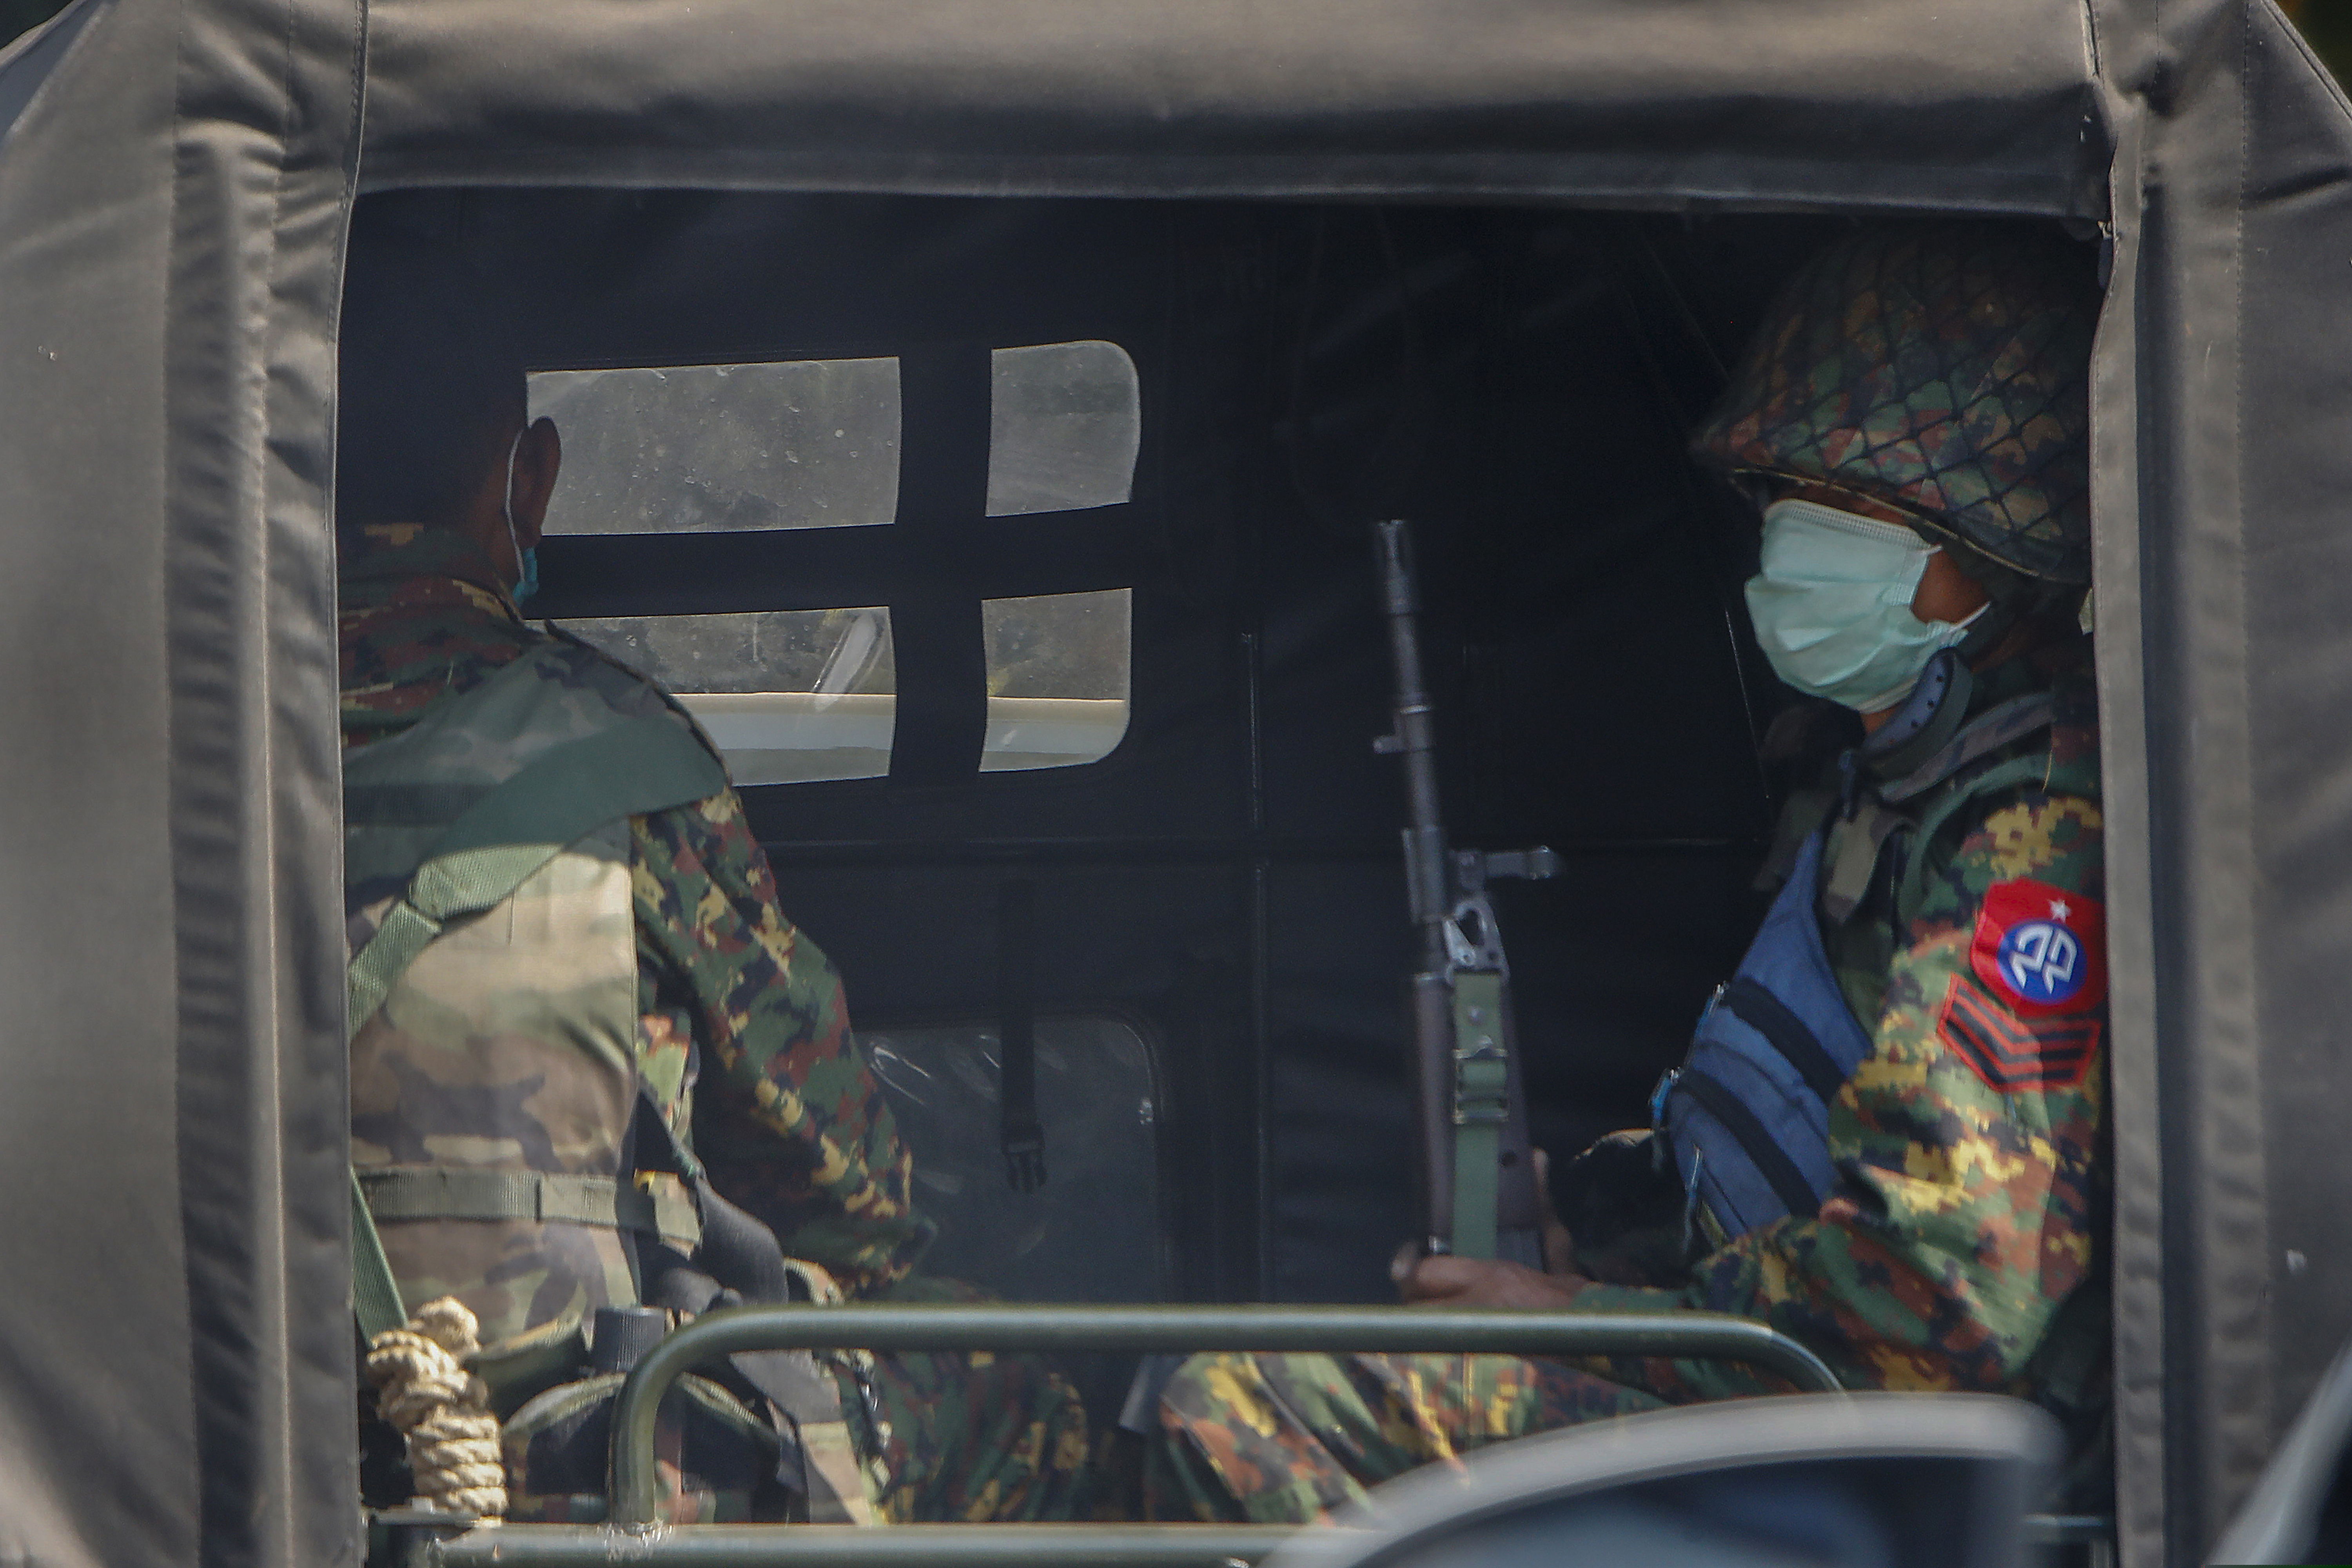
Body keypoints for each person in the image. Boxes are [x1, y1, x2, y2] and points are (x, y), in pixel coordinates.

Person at [1142, 221, 2112, 1522]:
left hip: (1897, 1455)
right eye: (1784, 494)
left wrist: (1580, 1317)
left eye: (1854, 505)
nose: (1795, 534)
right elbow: (1781, 1144)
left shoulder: (2031, 837)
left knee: (1244, 1415)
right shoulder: (1882, 785)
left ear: (1990, 545)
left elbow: (1937, 1303)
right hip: (1797, 1392)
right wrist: (1595, 1223)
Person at [337, 212, 1090, 1524]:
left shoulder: (129, 753)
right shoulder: (629, 764)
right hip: (590, 1467)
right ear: (530, 480)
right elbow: (844, 1190)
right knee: (1010, 1389)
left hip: (206, 1449)